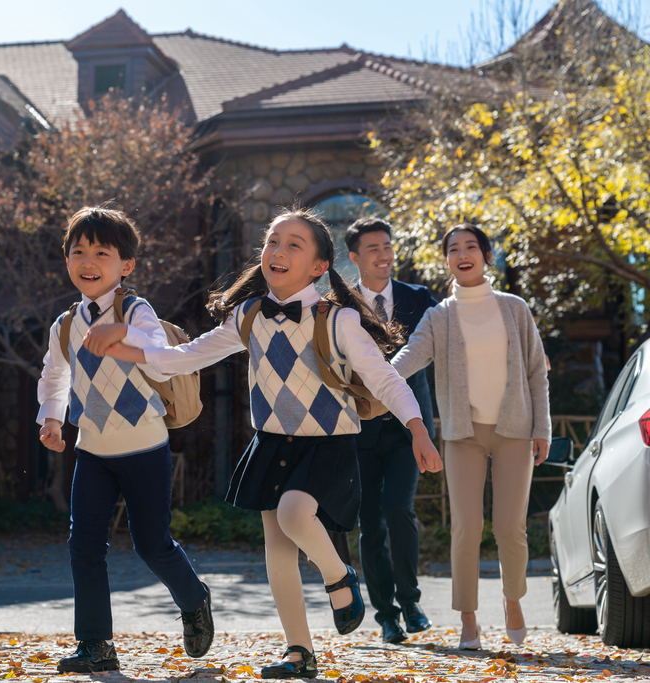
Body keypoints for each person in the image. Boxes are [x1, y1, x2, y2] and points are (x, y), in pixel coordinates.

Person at [85, 208, 442, 679]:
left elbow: (386, 380)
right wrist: (123, 340)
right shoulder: (248, 315)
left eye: (294, 244)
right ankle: (299, 652)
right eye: (273, 241)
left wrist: (417, 428)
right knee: (277, 552)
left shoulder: (339, 321)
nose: (278, 251)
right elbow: (182, 357)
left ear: (319, 266)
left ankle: (339, 575)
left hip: (329, 445)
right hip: (273, 444)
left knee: (296, 514)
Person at [37, 207, 214, 673]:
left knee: (152, 544)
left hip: (145, 449)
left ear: (126, 266)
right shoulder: (65, 325)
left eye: (101, 252)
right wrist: (52, 420)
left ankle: (194, 598)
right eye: (78, 251)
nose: (88, 260)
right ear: (67, 260)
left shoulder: (136, 310)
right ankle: (96, 645)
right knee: (84, 546)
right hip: (92, 451)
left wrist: (125, 333)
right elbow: (55, 376)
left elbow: (162, 358)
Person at [390, 223, 551, 650]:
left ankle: (513, 602)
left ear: (486, 255)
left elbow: (537, 370)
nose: (463, 254)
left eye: (471, 247)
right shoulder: (438, 315)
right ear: (446, 261)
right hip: (463, 434)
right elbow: (409, 357)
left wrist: (542, 428)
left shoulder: (514, 308)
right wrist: (371, 376)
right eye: (454, 249)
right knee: (466, 526)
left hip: (515, 429)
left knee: (510, 526)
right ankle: (468, 621)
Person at [344, 217, 438, 644]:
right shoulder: (339, 306)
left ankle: (411, 600)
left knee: (399, 510)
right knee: (370, 522)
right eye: (374, 249)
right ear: (354, 258)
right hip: (358, 431)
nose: (384, 255)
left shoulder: (420, 299)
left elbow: (456, 338)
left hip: (408, 428)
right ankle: (386, 615)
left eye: (387, 247)